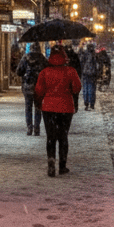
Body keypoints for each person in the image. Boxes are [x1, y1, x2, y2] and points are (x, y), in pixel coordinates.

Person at [33, 45, 82, 177]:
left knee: (51, 136)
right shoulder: (70, 71)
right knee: (63, 136)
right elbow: (77, 88)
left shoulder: (45, 72)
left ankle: (51, 161)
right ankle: (62, 165)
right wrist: (69, 89)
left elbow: (39, 90)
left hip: (48, 107)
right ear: (64, 56)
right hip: (66, 107)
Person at [15, 42, 48, 135]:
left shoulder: (26, 57)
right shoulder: (42, 58)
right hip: (39, 87)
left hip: (28, 86)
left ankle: (29, 127)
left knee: (28, 107)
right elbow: (48, 71)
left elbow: (18, 71)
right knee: (38, 108)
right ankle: (37, 127)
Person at [79, 42, 100, 110]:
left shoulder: (84, 54)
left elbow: (81, 63)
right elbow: (98, 65)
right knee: (92, 90)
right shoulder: (95, 55)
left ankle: (86, 103)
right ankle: (92, 103)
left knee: (85, 89)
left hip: (85, 74)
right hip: (93, 75)